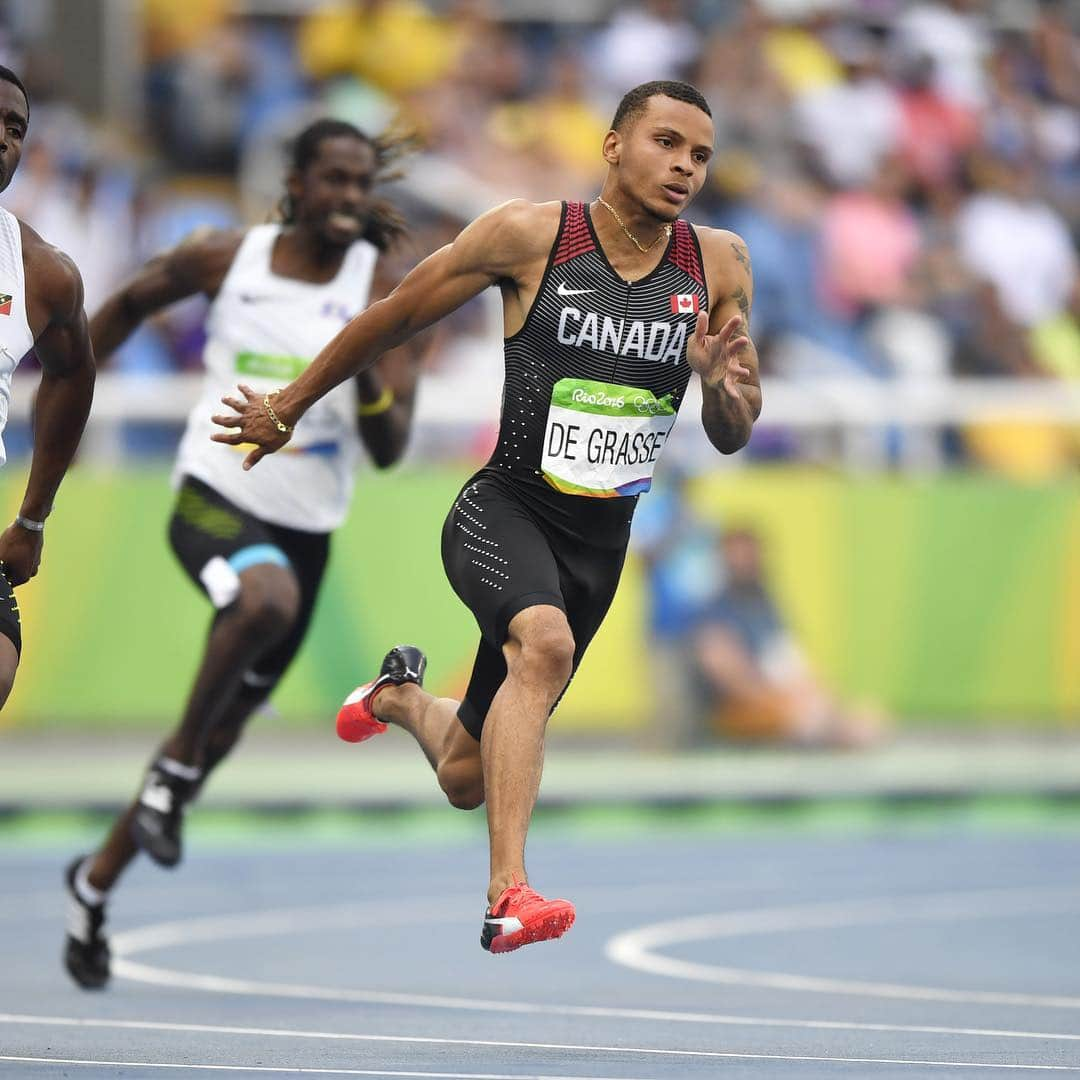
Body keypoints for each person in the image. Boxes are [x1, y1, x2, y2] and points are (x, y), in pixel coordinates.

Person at [214, 81, 761, 954]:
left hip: (600, 546)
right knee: (541, 647)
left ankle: (399, 697)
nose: (684, 168)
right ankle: (508, 892)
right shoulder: (531, 236)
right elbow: (393, 318)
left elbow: (734, 429)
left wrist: (714, 386)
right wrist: (288, 404)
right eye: (666, 143)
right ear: (614, 145)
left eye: (700, 155)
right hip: (501, 509)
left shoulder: (720, 263)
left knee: (468, 776)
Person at [64, 118, 421, 989]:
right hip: (212, 498)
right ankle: (174, 769)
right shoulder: (228, 259)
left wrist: (366, 358)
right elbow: (122, 307)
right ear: (295, 184)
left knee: (223, 727)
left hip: (308, 533)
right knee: (262, 604)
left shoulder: (387, 288)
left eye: (359, 183)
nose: (346, 197)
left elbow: (390, 448)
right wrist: (51, 388)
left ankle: (94, 884)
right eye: (331, 179)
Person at [0, 67, 96, 711]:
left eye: (15, 129)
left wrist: (32, 517)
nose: (3, 139)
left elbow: (72, 373)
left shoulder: (39, 272)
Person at [694, 527, 884, 747]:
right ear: (723, 560)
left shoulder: (764, 604)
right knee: (816, 720)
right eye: (737, 556)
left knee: (868, 718)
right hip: (741, 708)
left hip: (783, 698)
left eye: (749, 556)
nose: (744, 563)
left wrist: (817, 694)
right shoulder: (713, 609)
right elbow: (726, 671)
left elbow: (788, 660)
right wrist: (781, 702)